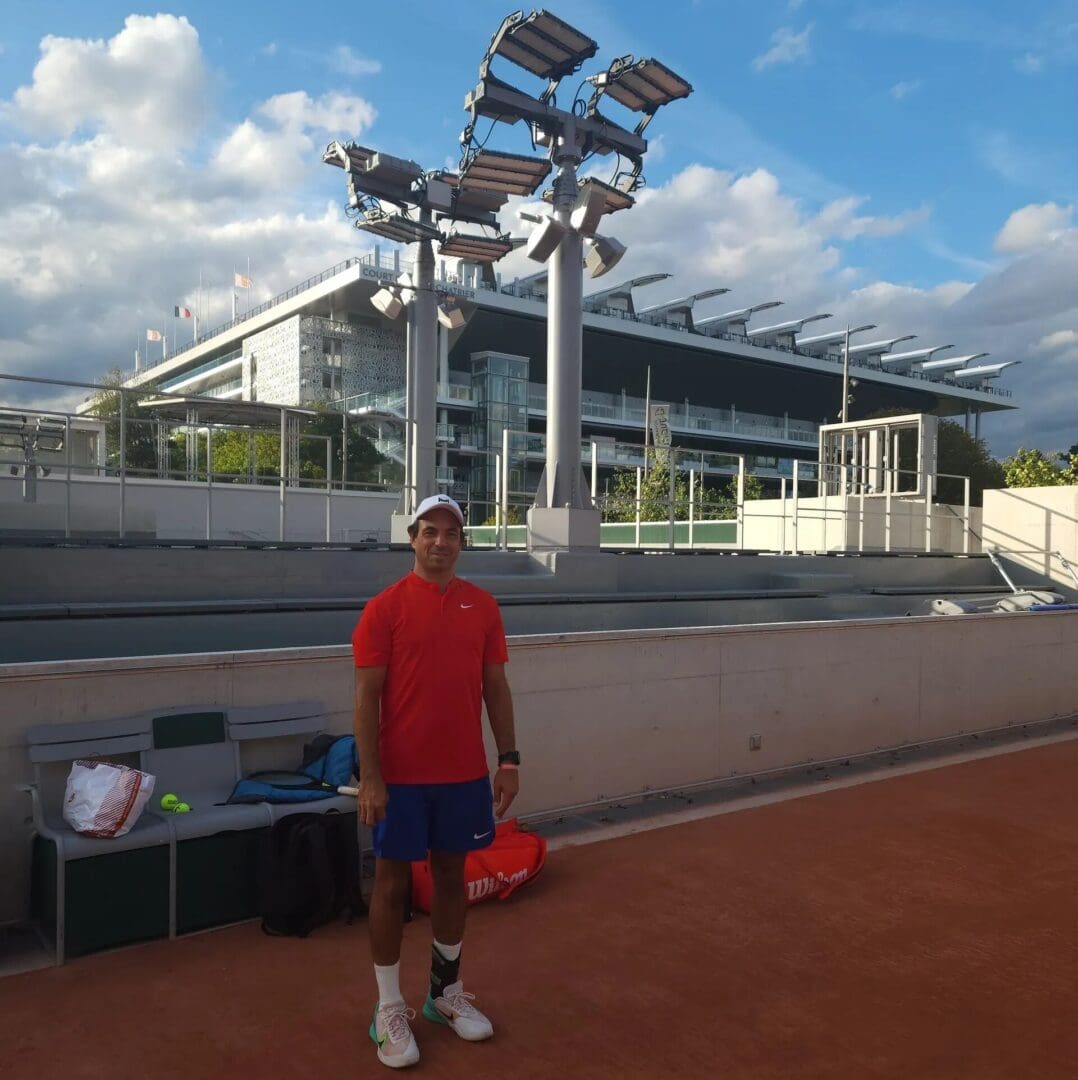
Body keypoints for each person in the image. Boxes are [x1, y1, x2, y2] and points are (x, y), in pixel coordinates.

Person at [352, 493, 520, 1070]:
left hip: (464, 776)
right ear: (413, 538)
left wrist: (510, 759)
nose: (440, 542)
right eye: (430, 532)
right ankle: (388, 1008)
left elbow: (495, 686)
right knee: (392, 885)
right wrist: (370, 778)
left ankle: (444, 994)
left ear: (461, 543)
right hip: (399, 780)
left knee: (451, 877)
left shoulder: (484, 607)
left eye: (451, 533)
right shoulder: (384, 608)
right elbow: (365, 697)